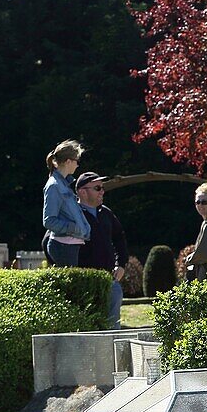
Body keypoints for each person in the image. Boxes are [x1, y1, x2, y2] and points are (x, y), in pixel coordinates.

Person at [75, 173, 129, 329]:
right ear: (82, 192)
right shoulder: (73, 215)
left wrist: (121, 264)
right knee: (89, 328)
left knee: (113, 329)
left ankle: (113, 354)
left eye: (102, 188)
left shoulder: (105, 213)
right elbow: (50, 242)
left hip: (109, 280)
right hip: (86, 282)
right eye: (97, 188)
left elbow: (119, 238)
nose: (102, 192)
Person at [42, 140, 91, 267]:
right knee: (71, 287)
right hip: (63, 246)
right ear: (68, 161)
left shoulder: (63, 184)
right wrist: (73, 228)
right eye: (77, 161)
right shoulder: (54, 186)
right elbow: (49, 221)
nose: (78, 165)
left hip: (69, 245)